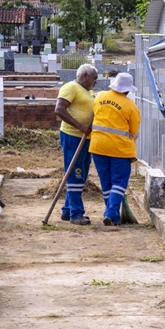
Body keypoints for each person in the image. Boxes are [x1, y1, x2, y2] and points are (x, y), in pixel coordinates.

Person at [89, 72, 141, 226]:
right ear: (127, 90)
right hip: (120, 149)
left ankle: (112, 215)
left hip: (98, 146)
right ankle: (111, 213)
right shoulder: (131, 106)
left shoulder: (99, 97)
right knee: (119, 182)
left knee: (106, 182)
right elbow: (134, 132)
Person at [54, 64, 98, 225]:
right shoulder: (70, 87)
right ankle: (76, 213)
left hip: (86, 138)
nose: (96, 81)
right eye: (95, 77)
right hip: (73, 136)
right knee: (76, 173)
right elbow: (59, 109)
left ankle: (68, 210)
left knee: (82, 174)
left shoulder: (88, 91)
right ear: (85, 76)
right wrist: (80, 126)